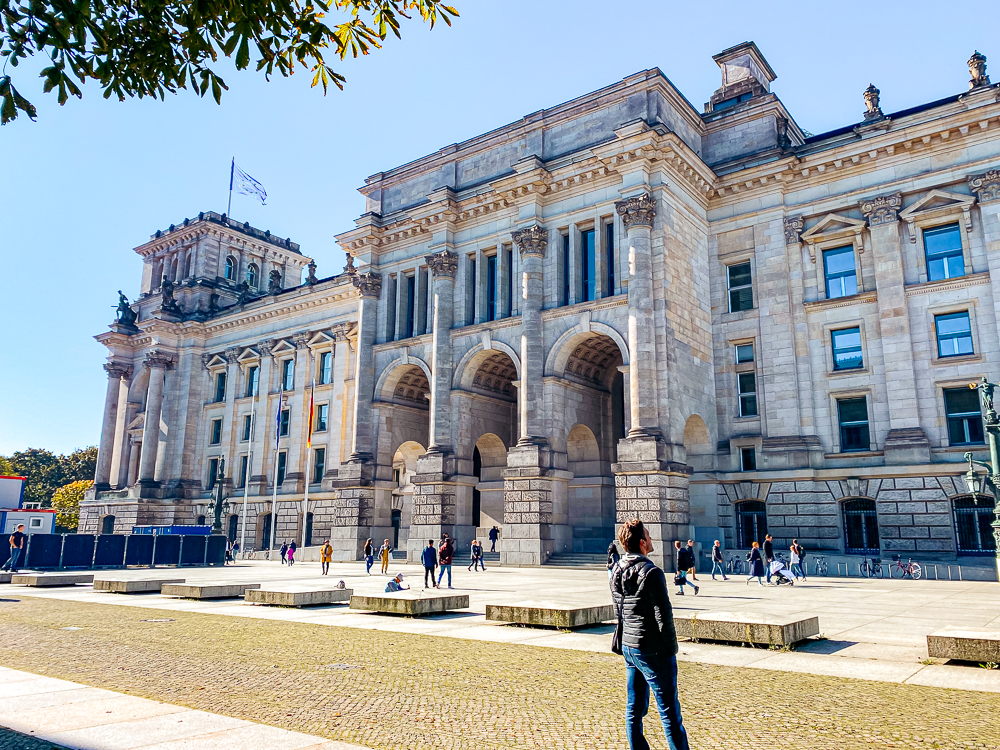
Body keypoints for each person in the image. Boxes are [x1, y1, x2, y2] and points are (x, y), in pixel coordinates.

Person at [610, 518, 690, 750]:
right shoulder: (652, 572)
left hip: (629, 646)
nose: (652, 538)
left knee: (634, 709)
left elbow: (619, 610)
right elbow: (663, 615)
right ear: (643, 543)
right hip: (652, 648)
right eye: (649, 534)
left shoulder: (616, 570)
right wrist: (671, 648)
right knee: (669, 714)